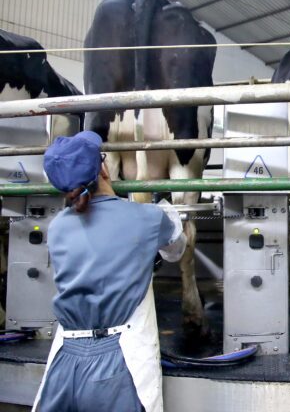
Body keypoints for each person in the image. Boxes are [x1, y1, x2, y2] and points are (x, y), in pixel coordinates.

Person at [32, 131, 186, 412]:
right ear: (104, 168)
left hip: (65, 358)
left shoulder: (56, 227)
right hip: (118, 364)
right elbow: (176, 250)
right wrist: (168, 213)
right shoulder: (147, 218)